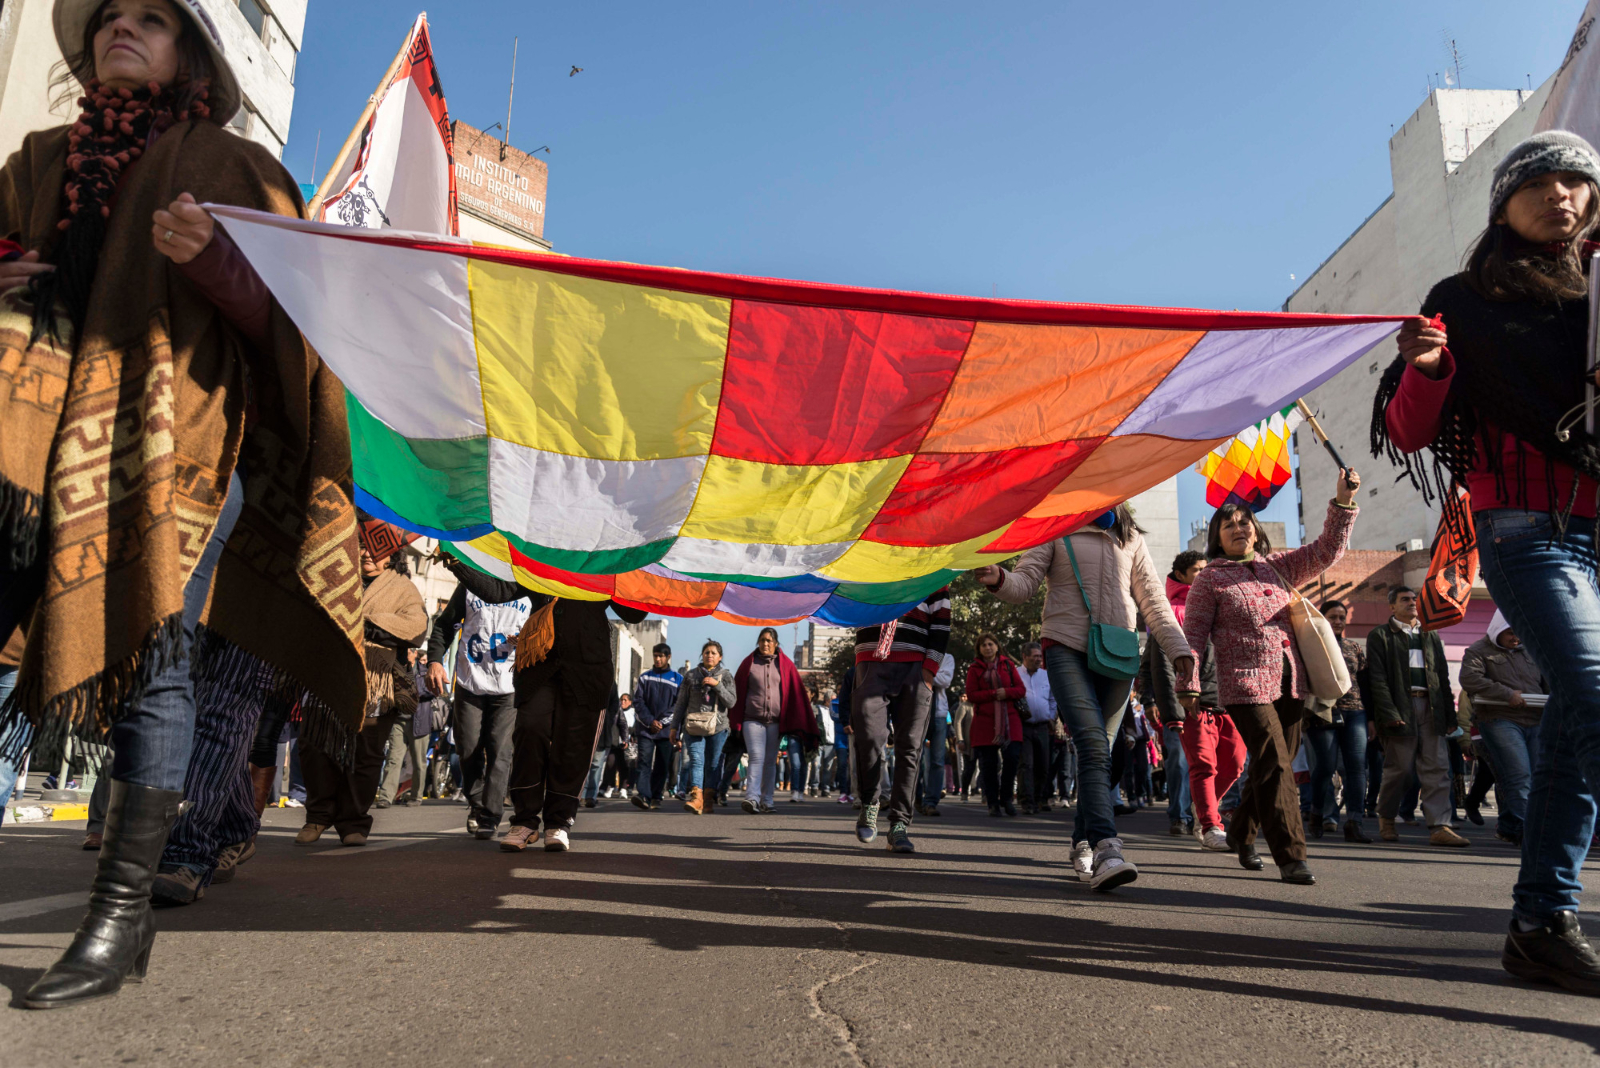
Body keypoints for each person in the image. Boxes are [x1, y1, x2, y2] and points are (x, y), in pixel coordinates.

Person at [8, 0, 368, 1010]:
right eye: (111, 15)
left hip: (181, 444)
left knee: (160, 662)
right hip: (32, 445)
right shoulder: (38, 162)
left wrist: (215, 262)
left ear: (191, 54)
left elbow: (295, 333)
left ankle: (117, 920)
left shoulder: (232, 167)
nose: (124, 26)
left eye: (153, 18)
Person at [1375, 131, 1600, 992]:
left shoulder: (1597, 292)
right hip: (1521, 528)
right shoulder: (1461, 300)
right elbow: (1408, 431)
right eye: (1540, 182)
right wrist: (1427, 367)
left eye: (1578, 182)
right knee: (1593, 694)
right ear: (1503, 201)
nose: (1564, 196)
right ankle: (1546, 918)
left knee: (1576, 733)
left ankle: (1541, 923)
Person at [977, 504, 1192, 892]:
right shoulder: (1054, 527)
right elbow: (1024, 584)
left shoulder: (1130, 538)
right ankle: (1108, 848)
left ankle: (1082, 842)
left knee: (1101, 755)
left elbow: (1153, 601)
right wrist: (999, 578)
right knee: (1093, 746)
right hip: (1066, 648)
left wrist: (1179, 649)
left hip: (1120, 653)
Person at [1178, 471, 1362, 887]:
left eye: (1245, 521)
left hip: (1291, 681)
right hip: (1243, 685)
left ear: (1256, 531)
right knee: (1278, 765)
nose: (1238, 528)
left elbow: (1327, 550)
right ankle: (1292, 857)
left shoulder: (1279, 567)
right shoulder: (1210, 578)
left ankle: (1241, 833)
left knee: (1267, 766)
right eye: (1228, 525)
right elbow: (1193, 635)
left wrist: (1343, 500)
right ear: (1217, 538)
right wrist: (1186, 684)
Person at [297, 547, 427, 847]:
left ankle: (353, 821)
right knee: (313, 743)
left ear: (392, 553)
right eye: (363, 545)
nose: (368, 553)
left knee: (366, 753)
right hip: (328, 673)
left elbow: (416, 626)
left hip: (375, 679)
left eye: (377, 547)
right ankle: (317, 816)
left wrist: (366, 621)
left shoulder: (403, 587)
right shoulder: (336, 576)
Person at [426, 561, 530, 839]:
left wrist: (529, 641)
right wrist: (435, 661)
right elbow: (444, 626)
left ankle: (490, 815)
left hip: (509, 686)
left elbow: (546, 630)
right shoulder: (471, 584)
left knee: (500, 750)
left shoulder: (529, 586)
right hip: (470, 681)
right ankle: (477, 802)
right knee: (467, 747)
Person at [1364, 587, 1468, 848]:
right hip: (1400, 709)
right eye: (1405, 600)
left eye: (1414, 600)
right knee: (1399, 771)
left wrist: (1449, 715)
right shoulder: (1380, 635)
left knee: (1437, 769)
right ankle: (1387, 817)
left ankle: (1440, 826)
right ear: (1392, 607)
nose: (1412, 604)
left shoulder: (1430, 634)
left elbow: (1442, 677)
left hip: (1431, 708)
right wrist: (1389, 712)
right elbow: (1377, 679)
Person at [847, 590, 951, 851]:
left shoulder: (934, 566)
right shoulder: (868, 559)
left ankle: (899, 825)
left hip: (916, 667)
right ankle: (870, 802)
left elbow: (941, 619)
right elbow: (848, 601)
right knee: (869, 739)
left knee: (909, 748)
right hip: (872, 660)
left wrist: (929, 670)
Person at [1459, 610, 1544, 846]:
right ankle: (1528, 830)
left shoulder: (1530, 650)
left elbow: (1548, 681)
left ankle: (1509, 825)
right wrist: (1506, 694)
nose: (1516, 638)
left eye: (1519, 632)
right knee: (1519, 774)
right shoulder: (1478, 650)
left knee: (1535, 777)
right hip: (1500, 719)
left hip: (1535, 720)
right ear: (1498, 629)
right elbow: (1470, 679)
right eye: (1510, 633)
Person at [1303, 599, 1372, 843]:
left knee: (1356, 768)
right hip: (1323, 712)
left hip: (1355, 712)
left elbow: (1365, 683)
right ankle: (1317, 813)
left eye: (1342, 617)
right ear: (1322, 619)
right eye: (1333, 617)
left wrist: (1371, 718)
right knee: (1325, 767)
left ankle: (1355, 822)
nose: (1338, 621)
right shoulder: (1311, 645)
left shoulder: (1354, 647)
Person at [730, 627, 814, 815]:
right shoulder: (748, 664)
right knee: (756, 756)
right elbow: (738, 691)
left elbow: (796, 693)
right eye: (762, 640)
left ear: (776, 644)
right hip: (752, 719)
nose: (765, 644)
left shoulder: (786, 664)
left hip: (776, 721)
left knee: (770, 761)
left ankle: (767, 800)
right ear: (758, 643)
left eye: (769, 641)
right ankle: (752, 798)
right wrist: (735, 720)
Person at [671, 640, 736, 814]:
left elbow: (731, 701)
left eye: (713, 653)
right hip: (693, 726)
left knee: (713, 765)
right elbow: (680, 703)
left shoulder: (726, 676)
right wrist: (673, 727)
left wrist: (717, 686)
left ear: (720, 657)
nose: (709, 655)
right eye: (706, 652)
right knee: (696, 761)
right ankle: (696, 798)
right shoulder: (691, 676)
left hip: (718, 727)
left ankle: (708, 799)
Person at [965, 633, 1025, 819]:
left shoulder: (1008, 665)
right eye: (983, 645)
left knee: (1012, 758)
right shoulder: (974, 669)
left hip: (1010, 720)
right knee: (988, 765)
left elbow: (1021, 690)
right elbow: (972, 695)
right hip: (985, 721)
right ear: (979, 649)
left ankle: (1006, 798)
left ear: (997, 646)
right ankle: (993, 803)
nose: (988, 647)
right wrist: (993, 694)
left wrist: (1005, 692)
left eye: (991, 644)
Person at [630, 644, 682, 811]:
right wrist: (650, 721)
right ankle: (643, 795)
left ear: (668, 657)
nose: (658, 659)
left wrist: (663, 723)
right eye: (655, 656)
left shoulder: (677, 679)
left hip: (667, 731)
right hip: (646, 730)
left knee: (662, 764)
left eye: (661, 656)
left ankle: (656, 796)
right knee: (644, 762)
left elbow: (679, 706)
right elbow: (638, 703)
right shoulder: (645, 678)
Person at [1016, 642, 1058, 816]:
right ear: (1024, 657)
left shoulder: (1046, 676)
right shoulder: (1016, 674)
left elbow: (1053, 699)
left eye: (1040, 656)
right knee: (1026, 765)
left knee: (1043, 765)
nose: (1039, 659)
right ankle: (1027, 802)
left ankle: (1040, 799)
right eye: (1035, 656)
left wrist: (1052, 717)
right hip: (1022, 726)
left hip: (1042, 726)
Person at [918, 652, 955, 816]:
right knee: (914, 759)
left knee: (937, 761)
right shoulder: (917, 653)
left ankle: (931, 801)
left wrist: (923, 674)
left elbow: (945, 681)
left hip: (939, 714)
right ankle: (915, 798)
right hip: (917, 712)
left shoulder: (947, 657)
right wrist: (933, 674)